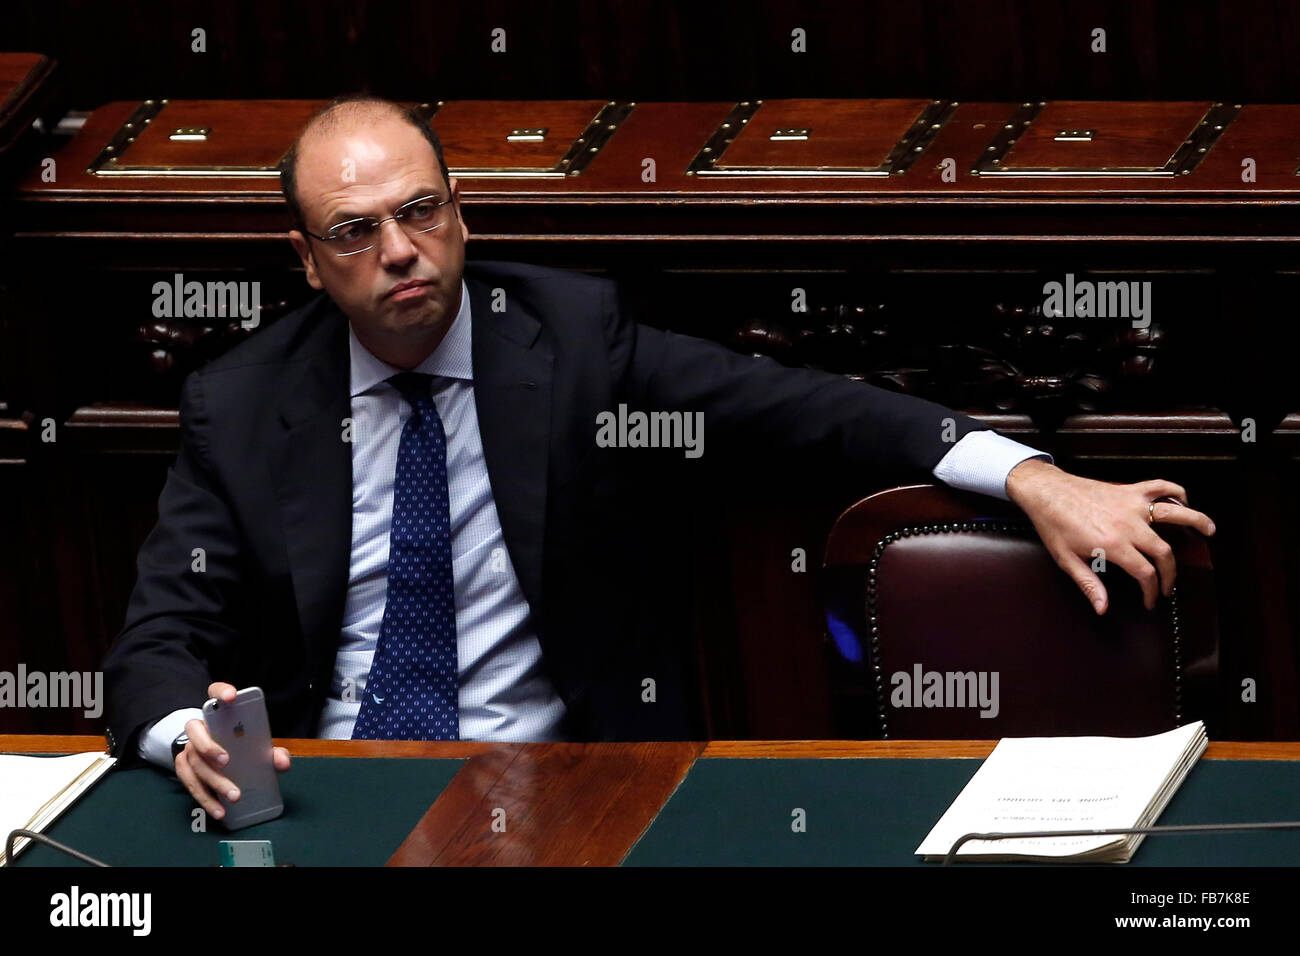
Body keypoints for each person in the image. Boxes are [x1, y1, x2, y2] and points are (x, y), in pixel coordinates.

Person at [101, 95, 1216, 823]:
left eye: (421, 210)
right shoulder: (243, 402)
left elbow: (812, 411)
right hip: (322, 796)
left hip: (554, 795)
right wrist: (180, 730)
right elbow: (157, 637)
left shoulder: (575, 344)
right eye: (354, 230)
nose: (398, 250)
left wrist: (1027, 473)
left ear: (462, 215)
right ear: (305, 258)